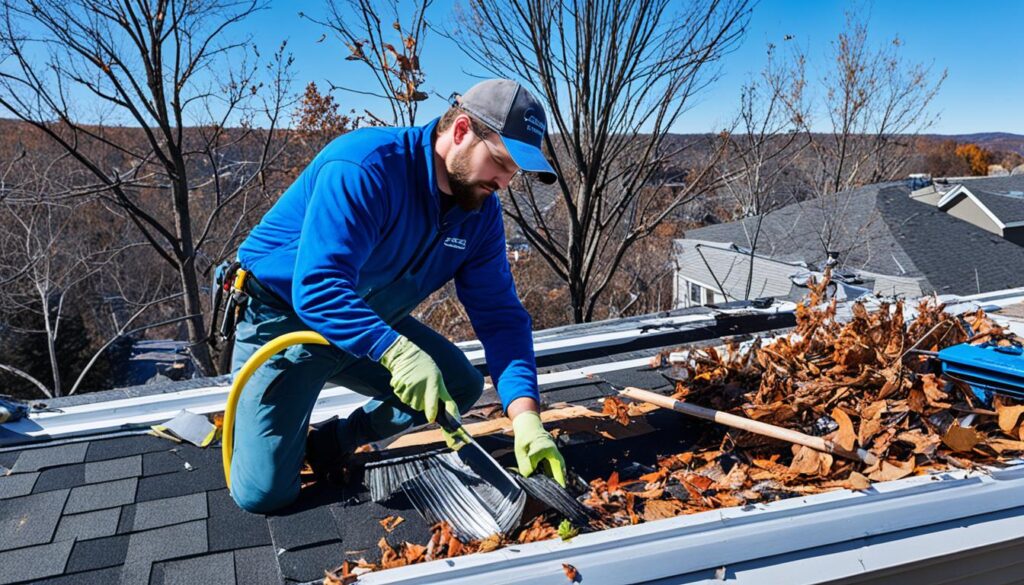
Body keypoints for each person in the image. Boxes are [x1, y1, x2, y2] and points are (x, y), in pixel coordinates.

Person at [227, 78, 566, 513]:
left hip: (368, 317)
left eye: (513, 172)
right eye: (500, 162)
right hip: (284, 321)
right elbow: (317, 286)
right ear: (461, 130)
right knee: (264, 494)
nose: (504, 181)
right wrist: (395, 351)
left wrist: (526, 418)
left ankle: (335, 440)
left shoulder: (478, 214)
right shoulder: (366, 167)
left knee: (459, 385)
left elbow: (501, 318)